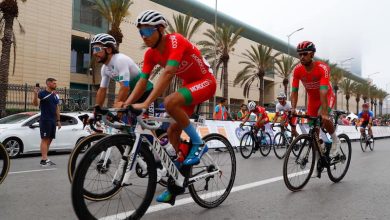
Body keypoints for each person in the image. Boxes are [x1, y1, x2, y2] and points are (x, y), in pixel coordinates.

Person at [125, 10, 216, 204]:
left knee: (169, 102)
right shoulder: (150, 54)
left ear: (160, 29)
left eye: (148, 31)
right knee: (173, 130)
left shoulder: (176, 40)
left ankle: (199, 143)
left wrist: (146, 103)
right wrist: (127, 103)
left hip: (205, 81)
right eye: (141, 32)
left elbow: (168, 73)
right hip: (188, 87)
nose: (144, 36)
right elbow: (142, 81)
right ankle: (178, 179)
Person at [290, 41, 340, 178]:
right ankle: (320, 154)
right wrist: (293, 108)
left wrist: (324, 112)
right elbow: (294, 91)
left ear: (312, 54)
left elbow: (324, 91)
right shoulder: (298, 70)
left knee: (323, 117)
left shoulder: (322, 68)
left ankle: (336, 139)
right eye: (299, 54)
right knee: (314, 133)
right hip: (312, 100)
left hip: (326, 95)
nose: (301, 57)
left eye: (304, 54)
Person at [91, 33, 154, 110]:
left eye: (97, 49)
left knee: (148, 121)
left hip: (147, 91)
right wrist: (96, 111)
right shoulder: (104, 69)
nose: (94, 53)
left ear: (109, 50)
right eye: (93, 49)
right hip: (133, 94)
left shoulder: (120, 60)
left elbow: (125, 85)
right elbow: (102, 90)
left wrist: (116, 108)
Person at [32, 78, 61, 167]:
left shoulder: (55, 95)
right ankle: (44, 160)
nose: (55, 84)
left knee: (50, 139)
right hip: (45, 120)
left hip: (53, 120)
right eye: (54, 83)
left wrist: (58, 120)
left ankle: (45, 159)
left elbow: (57, 108)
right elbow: (35, 104)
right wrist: (35, 94)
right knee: (45, 139)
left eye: (56, 83)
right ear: (48, 84)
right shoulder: (42, 93)